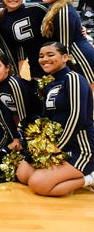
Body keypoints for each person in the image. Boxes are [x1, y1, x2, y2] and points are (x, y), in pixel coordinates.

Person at [16, 42, 94, 197]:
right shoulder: (50, 84)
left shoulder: (73, 78)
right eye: (41, 56)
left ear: (65, 57)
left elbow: (78, 116)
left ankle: (90, 177)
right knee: (23, 175)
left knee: (39, 184)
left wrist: (58, 147)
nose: (44, 59)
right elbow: (47, 120)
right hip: (58, 145)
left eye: (50, 55)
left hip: (81, 146)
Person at [41, 0, 94, 89]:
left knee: (84, 99)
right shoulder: (54, 6)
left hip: (80, 59)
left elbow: (64, 48)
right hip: (72, 56)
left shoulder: (64, 12)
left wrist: (60, 74)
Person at [0, 51, 42, 151]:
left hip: (38, 120)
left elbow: (24, 114)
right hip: (21, 120)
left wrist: (18, 138)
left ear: (7, 68)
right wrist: (14, 136)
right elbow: (4, 111)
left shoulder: (14, 84)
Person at [0, 0, 48, 78]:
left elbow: (58, 24)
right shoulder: (1, 21)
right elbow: (11, 50)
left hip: (53, 59)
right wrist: (15, 74)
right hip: (35, 65)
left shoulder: (37, 9)